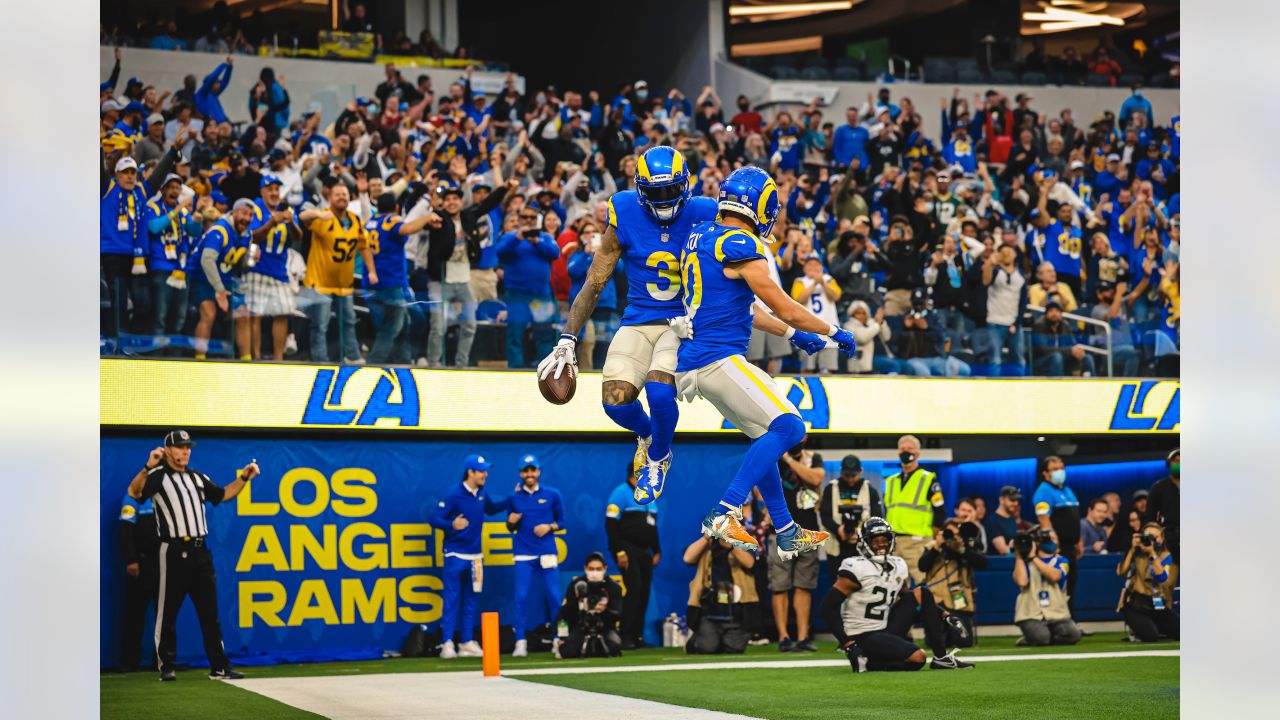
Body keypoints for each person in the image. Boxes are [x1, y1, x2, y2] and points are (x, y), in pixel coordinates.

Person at [674, 167, 850, 567]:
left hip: (700, 358)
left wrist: (791, 334)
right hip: (717, 356)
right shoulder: (739, 242)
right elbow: (783, 303)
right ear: (761, 204)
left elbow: (747, 307)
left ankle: (786, 530)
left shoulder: (703, 234)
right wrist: (833, 331)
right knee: (791, 426)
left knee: (763, 436)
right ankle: (725, 511)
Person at [539, 146, 719, 506]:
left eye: (671, 190)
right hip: (638, 318)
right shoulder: (623, 211)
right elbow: (594, 281)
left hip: (681, 322)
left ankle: (657, 459)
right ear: (639, 190)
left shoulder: (707, 212)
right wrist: (567, 338)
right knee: (615, 403)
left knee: (659, 392)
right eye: (655, 192)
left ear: (686, 186)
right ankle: (650, 437)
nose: (664, 200)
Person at [126, 430, 261, 680]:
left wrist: (244, 477)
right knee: (167, 612)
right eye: (179, 447)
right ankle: (166, 666)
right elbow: (134, 492)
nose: (185, 451)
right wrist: (147, 466)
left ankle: (219, 666)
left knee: (210, 614)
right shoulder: (157, 476)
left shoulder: (197, 478)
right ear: (167, 451)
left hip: (200, 550)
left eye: (188, 447)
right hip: (173, 550)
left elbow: (222, 494)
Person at [820, 517, 972, 672]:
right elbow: (827, 607)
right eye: (875, 540)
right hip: (862, 635)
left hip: (884, 628)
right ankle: (871, 663)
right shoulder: (856, 567)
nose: (881, 544)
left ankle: (941, 658)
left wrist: (944, 615)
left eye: (884, 539)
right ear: (865, 543)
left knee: (923, 593)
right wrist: (848, 644)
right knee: (918, 658)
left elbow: (908, 596)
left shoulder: (897, 564)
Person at [423, 179, 512, 367]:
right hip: (441, 280)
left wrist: (504, 188)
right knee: (438, 326)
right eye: (448, 199)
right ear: (443, 203)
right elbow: (425, 223)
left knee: (470, 324)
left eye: (456, 198)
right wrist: (431, 210)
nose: (452, 202)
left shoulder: (467, 217)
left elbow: (487, 204)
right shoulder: (437, 218)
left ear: (461, 202)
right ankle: (433, 364)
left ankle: (461, 364)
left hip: (464, 280)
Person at [431, 454, 507, 659]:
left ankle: (465, 642)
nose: (485, 474)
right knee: (451, 598)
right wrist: (451, 525)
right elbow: (434, 518)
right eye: (481, 471)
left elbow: (491, 509)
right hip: (455, 554)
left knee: (472, 600)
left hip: (476, 557)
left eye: (485, 470)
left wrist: (512, 500)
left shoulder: (482, 493)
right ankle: (447, 642)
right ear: (470, 472)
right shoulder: (454, 494)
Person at [299, 183, 376, 364]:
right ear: (330, 197)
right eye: (337, 194)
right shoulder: (324, 216)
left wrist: (371, 270)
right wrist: (318, 213)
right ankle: (321, 360)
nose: (342, 197)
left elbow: (363, 247)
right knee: (320, 325)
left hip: (344, 284)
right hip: (321, 282)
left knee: (349, 321)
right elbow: (302, 216)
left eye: (345, 194)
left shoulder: (354, 220)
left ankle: (353, 355)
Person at [366, 192, 439, 365]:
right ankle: (375, 363)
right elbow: (405, 228)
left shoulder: (370, 222)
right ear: (396, 208)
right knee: (392, 326)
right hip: (389, 282)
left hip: (374, 281)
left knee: (406, 322)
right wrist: (427, 217)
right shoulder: (391, 220)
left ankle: (404, 360)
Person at [504, 454, 565, 658]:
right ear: (521, 473)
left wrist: (549, 526)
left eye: (533, 470)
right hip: (523, 554)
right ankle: (520, 642)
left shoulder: (553, 494)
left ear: (538, 471)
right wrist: (511, 522)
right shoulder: (513, 498)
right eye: (526, 470)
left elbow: (562, 522)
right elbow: (510, 526)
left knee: (554, 597)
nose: (529, 474)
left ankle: (560, 639)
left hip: (547, 552)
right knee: (520, 598)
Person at [771, 435, 826, 652]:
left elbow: (815, 479)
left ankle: (803, 637)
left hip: (806, 531)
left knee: (803, 586)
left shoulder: (814, 458)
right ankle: (784, 637)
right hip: (779, 530)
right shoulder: (772, 457)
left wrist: (789, 460)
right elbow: (759, 488)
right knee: (780, 586)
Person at [605, 462, 662, 649]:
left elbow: (652, 527)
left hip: (645, 552)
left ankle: (637, 636)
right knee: (634, 590)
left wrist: (657, 550)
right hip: (627, 550)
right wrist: (619, 552)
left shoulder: (650, 496)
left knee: (644, 592)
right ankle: (625, 635)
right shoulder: (619, 493)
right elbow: (611, 526)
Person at [497, 208, 560, 369]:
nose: (528, 220)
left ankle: (546, 370)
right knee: (515, 334)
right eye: (524, 217)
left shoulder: (544, 237)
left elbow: (555, 253)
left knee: (544, 335)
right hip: (517, 295)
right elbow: (500, 253)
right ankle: (515, 369)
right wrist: (517, 239)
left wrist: (537, 241)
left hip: (541, 295)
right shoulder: (509, 237)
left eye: (532, 217)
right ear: (519, 218)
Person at [245, 175, 299, 360]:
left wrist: (290, 221)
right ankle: (256, 358)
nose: (274, 193)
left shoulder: (287, 209)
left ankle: (278, 358)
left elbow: (298, 238)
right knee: (255, 314)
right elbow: (252, 237)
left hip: (279, 271)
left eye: (277, 189)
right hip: (257, 269)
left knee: (282, 313)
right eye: (270, 189)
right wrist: (272, 222)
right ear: (262, 191)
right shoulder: (256, 208)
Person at [192, 198, 254, 360]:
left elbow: (238, 262)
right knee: (209, 313)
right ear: (234, 212)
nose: (247, 218)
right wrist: (219, 290)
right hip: (201, 277)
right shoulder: (219, 230)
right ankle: (199, 360)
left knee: (243, 313)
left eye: (250, 215)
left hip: (225, 277)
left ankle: (246, 360)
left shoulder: (246, 233)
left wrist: (250, 258)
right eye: (243, 213)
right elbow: (206, 261)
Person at [142, 174, 200, 344]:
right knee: (161, 315)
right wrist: (175, 211)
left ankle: (174, 356)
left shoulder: (182, 211)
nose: (175, 191)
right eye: (171, 187)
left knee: (179, 317)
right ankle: (157, 356)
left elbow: (193, 230)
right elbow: (153, 227)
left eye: (178, 188)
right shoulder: (152, 207)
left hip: (180, 269)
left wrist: (197, 219)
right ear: (163, 190)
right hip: (161, 267)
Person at [883, 434, 946, 583]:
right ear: (898, 452)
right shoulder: (891, 481)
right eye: (902, 449)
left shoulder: (928, 478)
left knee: (925, 585)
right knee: (895, 588)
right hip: (894, 543)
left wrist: (932, 540)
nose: (906, 452)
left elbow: (940, 511)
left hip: (918, 542)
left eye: (910, 449)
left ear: (917, 453)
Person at [919, 517, 988, 648]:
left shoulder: (965, 548)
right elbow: (922, 566)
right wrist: (937, 548)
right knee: (936, 641)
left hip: (958, 604)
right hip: (937, 603)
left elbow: (982, 563)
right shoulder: (932, 546)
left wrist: (961, 550)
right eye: (949, 533)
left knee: (964, 641)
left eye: (956, 534)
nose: (952, 537)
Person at [682, 534, 757, 655]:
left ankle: (721, 641)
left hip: (736, 610)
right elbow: (687, 558)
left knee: (735, 649)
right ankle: (695, 642)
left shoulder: (743, 542)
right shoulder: (706, 545)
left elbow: (750, 563)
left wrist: (732, 545)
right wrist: (706, 538)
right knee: (707, 648)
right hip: (709, 611)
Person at [819, 455, 884, 582]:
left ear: (861, 471)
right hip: (837, 548)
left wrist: (861, 533)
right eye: (846, 475)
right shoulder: (831, 488)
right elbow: (825, 515)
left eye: (853, 476)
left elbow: (877, 517)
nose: (850, 480)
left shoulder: (869, 489)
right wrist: (839, 530)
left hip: (863, 547)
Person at [1012, 527, 1081, 646]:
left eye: (1055, 539)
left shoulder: (1062, 561)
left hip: (1056, 613)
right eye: (1049, 538)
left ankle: (1043, 637)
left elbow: (1055, 576)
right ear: (1037, 542)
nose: (1053, 541)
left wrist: (1034, 558)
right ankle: (1034, 638)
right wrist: (1019, 554)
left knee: (1073, 634)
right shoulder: (1024, 562)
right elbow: (1021, 582)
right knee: (1041, 638)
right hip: (1031, 614)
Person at [1032, 455, 1083, 611]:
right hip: (1058, 549)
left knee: (1071, 587)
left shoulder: (1067, 490)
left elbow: (1073, 517)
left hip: (1071, 547)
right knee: (1059, 587)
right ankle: (1059, 623)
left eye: (1061, 468)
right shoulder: (1043, 492)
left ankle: (1071, 622)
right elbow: (1043, 519)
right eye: (1055, 469)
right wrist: (1054, 545)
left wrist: (1079, 540)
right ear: (1045, 473)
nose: (1059, 472)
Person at [117, 488, 158, 671]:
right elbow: (126, 531)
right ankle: (129, 661)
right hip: (140, 563)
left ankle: (163, 661)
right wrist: (131, 560)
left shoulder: (165, 496)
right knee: (134, 613)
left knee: (165, 615)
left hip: (163, 562)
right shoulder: (133, 498)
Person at [1116, 521, 1179, 642]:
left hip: (1156, 605)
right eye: (1147, 537)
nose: (1151, 541)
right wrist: (1132, 549)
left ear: (1162, 538)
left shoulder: (1166, 556)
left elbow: (1162, 578)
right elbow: (1121, 573)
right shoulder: (1136, 553)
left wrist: (1152, 554)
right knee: (1150, 636)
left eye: (1154, 538)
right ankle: (1139, 629)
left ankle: (1157, 627)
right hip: (1136, 604)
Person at [556, 552, 624, 658]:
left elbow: (618, 614)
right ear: (585, 568)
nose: (594, 572)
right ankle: (589, 648)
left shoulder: (613, 587)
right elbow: (564, 612)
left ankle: (591, 649)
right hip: (581, 626)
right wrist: (578, 602)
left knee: (614, 648)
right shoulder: (577, 585)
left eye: (598, 569)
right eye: (591, 569)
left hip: (605, 627)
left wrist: (604, 610)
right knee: (567, 651)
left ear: (605, 569)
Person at [789, 257, 842, 373]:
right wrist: (814, 284)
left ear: (822, 268)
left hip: (829, 328)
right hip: (808, 329)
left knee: (828, 369)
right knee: (807, 368)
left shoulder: (829, 280)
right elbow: (798, 299)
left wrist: (822, 283)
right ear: (805, 268)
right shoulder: (800, 281)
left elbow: (836, 296)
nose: (814, 268)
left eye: (817, 265)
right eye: (810, 265)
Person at [1147, 448, 1180, 561]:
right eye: (1175, 461)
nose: (1179, 464)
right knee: (1167, 578)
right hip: (1168, 540)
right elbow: (1150, 516)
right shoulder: (1158, 488)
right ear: (1168, 464)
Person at [984, 485, 1032, 556]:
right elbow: (1003, 550)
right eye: (1012, 500)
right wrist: (1025, 553)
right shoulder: (992, 521)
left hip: (1014, 562)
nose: (1016, 503)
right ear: (1001, 500)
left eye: (1017, 500)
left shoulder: (1012, 519)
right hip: (999, 565)